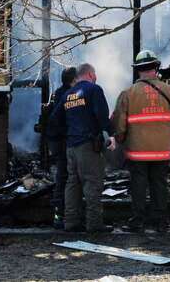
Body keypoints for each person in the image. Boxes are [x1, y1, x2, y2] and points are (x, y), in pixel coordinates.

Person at [112, 49, 170, 232]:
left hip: (137, 151)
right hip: (162, 150)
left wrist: (121, 139)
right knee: (159, 184)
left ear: (138, 70)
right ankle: (160, 221)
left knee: (138, 186)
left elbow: (119, 123)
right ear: (156, 68)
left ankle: (138, 220)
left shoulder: (128, 94)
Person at [48, 62, 116, 233]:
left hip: (70, 146)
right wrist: (112, 134)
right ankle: (94, 224)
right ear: (91, 74)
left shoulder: (68, 94)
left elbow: (55, 119)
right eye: (95, 75)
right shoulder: (94, 90)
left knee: (73, 184)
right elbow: (102, 116)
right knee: (92, 183)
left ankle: (70, 222)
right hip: (88, 145)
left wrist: (69, 133)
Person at [44, 66, 78, 229]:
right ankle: (61, 213)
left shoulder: (58, 93)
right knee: (64, 176)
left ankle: (62, 213)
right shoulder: (68, 96)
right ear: (74, 80)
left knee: (63, 175)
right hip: (63, 141)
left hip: (57, 140)